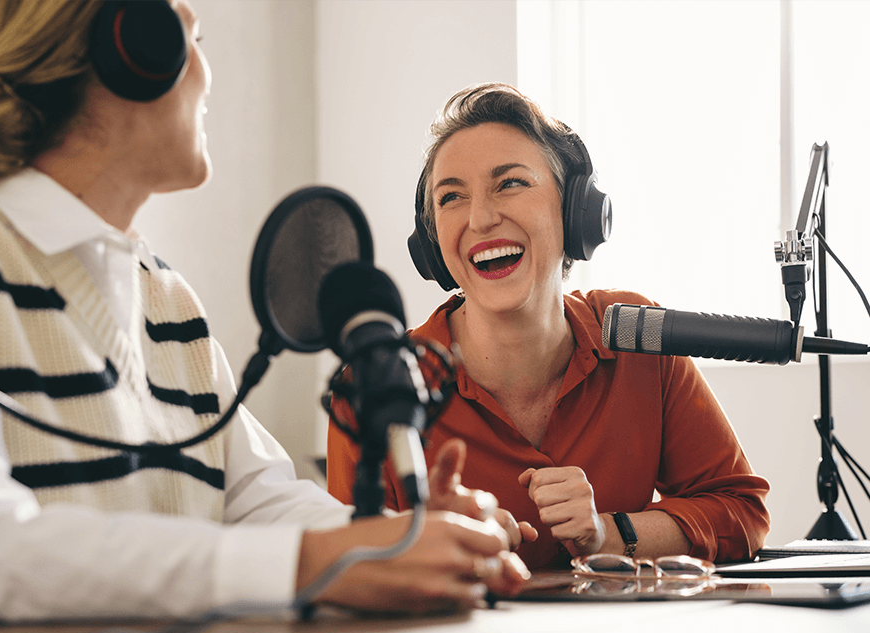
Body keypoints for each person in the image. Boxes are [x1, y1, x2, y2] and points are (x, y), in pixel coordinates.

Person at [0, 1, 530, 628]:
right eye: (192, 38)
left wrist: (396, 537)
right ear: (132, 46)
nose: (207, 77)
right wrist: (312, 565)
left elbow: (257, 502)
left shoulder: (168, 299)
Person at [327, 83, 771, 571]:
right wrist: (429, 543)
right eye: (451, 197)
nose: (481, 218)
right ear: (432, 245)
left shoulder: (637, 336)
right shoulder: (373, 381)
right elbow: (348, 564)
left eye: (510, 183)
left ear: (575, 212)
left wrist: (609, 532)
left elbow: (741, 511)